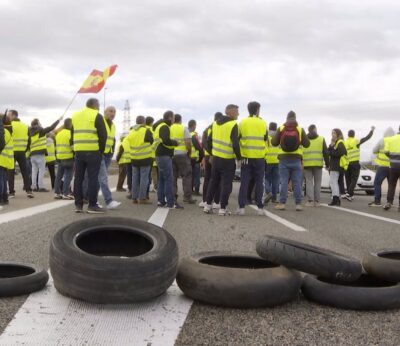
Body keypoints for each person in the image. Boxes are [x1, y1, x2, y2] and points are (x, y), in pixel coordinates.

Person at [204, 104, 241, 216]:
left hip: (216, 159)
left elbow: (208, 141)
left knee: (213, 182)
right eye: (237, 112)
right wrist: (239, 158)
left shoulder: (215, 124)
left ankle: (207, 206)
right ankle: (222, 208)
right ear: (230, 112)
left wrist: (211, 153)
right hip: (228, 160)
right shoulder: (233, 124)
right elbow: (235, 143)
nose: (238, 114)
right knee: (226, 184)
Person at [71, 98, 107, 213]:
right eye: (99, 104)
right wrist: (101, 151)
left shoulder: (75, 116)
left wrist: (75, 148)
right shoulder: (96, 115)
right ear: (95, 105)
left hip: (79, 151)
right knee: (93, 178)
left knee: (78, 178)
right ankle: (92, 205)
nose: (99, 106)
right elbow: (103, 135)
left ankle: (78, 205)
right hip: (92, 151)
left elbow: (72, 134)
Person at [271, 111, 310, 211]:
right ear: (295, 118)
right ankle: (298, 204)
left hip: (283, 159)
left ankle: (282, 203)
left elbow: (274, 143)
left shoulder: (281, 128)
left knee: (284, 181)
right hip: (296, 159)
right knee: (297, 182)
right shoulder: (300, 129)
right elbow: (307, 144)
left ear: (287, 118)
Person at [236, 101, 267, 215]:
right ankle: (260, 208)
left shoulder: (243, 122)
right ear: (257, 109)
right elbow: (265, 139)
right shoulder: (263, 123)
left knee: (244, 182)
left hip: (246, 157)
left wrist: (239, 156)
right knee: (259, 182)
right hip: (259, 157)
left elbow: (238, 138)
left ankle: (241, 207)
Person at [154, 111, 180, 209]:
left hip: (160, 155)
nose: (174, 120)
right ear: (170, 118)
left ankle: (161, 201)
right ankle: (170, 202)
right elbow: (165, 140)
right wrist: (175, 143)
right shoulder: (164, 126)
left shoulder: (160, 126)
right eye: (173, 118)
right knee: (169, 179)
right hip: (164, 155)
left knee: (162, 179)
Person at [126, 116, 154, 204]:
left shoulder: (131, 132)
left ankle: (134, 197)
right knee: (144, 178)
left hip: (134, 159)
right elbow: (152, 142)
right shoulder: (146, 130)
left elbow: (126, 142)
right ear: (144, 122)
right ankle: (142, 198)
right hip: (145, 158)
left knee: (135, 178)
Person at [29, 117, 61, 192]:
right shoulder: (41, 131)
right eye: (39, 123)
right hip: (40, 154)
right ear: (37, 124)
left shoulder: (30, 133)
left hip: (32, 154)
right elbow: (51, 127)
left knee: (34, 171)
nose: (40, 124)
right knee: (41, 171)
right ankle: (41, 187)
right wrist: (58, 120)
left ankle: (33, 186)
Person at [7, 110, 34, 198]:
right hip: (22, 152)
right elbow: (29, 140)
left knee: (10, 171)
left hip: (12, 151)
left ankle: (11, 192)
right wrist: (25, 149)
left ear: (14, 116)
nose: (8, 117)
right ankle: (28, 190)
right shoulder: (25, 126)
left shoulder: (10, 125)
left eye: (9, 115)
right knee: (24, 172)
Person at [98, 106, 121, 209]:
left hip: (108, 154)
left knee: (99, 178)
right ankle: (109, 201)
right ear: (105, 112)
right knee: (103, 178)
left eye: (114, 112)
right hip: (100, 154)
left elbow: (112, 139)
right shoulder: (100, 121)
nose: (113, 113)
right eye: (111, 111)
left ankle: (90, 198)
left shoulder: (113, 125)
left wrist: (112, 153)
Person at [343, 127, 375, 201]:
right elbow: (367, 138)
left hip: (347, 164)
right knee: (354, 179)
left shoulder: (344, 142)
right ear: (354, 135)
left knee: (348, 180)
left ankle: (350, 195)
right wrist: (372, 131)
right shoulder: (356, 141)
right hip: (355, 163)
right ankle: (349, 193)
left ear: (348, 135)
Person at [199, 112, 222, 209]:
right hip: (217, 156)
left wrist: (207, 154)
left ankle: (205, 200)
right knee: (218, 179)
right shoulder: (220, 127)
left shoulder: (207, 128)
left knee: (207, 179)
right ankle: (217, 201)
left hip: (208, 156)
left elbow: (204, 143)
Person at [170, 114, 196, 204]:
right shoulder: (183, 128)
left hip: (171, 154)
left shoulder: (169, 128)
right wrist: (189, 152)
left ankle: (172, 196)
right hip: (182, 155)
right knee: (187, 175)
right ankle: (187, 197)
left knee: (173, 176)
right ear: (180, 120)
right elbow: (188, 142)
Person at [303, 125, 329, 207]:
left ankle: (310, 201)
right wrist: (327, 164)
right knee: (318, 183)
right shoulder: (321, 139)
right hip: (318, 164)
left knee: (309, 182)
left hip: (307, 164)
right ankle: (317, 201)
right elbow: (325, 152)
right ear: (314, 129)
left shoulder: (304, 139)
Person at [369, 127, 395, 207]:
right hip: (393, 166)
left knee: (377, 183)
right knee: (391, 185)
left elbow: (374, 150)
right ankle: (389, 202)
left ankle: (377, 201)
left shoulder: (382, 140)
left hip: (383, 166)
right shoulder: (395, 141)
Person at [54, 118, 74, 200]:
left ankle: (57, 193)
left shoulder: (59, 134)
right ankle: (65, 193)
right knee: (68, 177)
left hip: (59, 157)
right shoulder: (70, 133)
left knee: (58, 176)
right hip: (69, 157)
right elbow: (72, 146)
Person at [327, 128, 347, 206]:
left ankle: (336, 199)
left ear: (338, 134)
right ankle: (336, 199)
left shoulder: (340, 142)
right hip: (335, 165)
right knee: (333, 182)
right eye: (332, 133)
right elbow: (329, 151)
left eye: (334, 133)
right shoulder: (336, 143)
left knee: (333, 182)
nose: (332, 135)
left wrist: (331, 150)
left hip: (337, 165)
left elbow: (340, 152)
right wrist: (331, 145)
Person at [383, 126, 400, 211]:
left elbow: (385, 151)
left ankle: (389, 202)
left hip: (393, 166)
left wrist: (392, 157)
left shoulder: (391, 139)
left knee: (391, 185)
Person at [264, 122, 280, 205]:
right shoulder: (279, 137)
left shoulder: (267, 137)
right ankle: (274, 198)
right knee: (275, 180)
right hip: (277, 161)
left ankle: (268, 192)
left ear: (269, 128)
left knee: (266, 178)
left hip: (267, 160)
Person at [0, 114, 14, 208]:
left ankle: (1, 198)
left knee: (1, 180)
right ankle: (5, 198)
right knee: (3, 180)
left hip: (1, 158)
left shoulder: (4, 131)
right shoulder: (8, 131)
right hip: (5, 160)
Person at [188, 119, 204, 196]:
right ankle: (196, 190)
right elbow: (198, 147)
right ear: (193, 125)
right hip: (195, 158)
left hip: (188, 158)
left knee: (189, 175)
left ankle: (190, 190)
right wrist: (201, 156)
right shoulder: (194, 135)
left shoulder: (186, 134)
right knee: (197, 175)